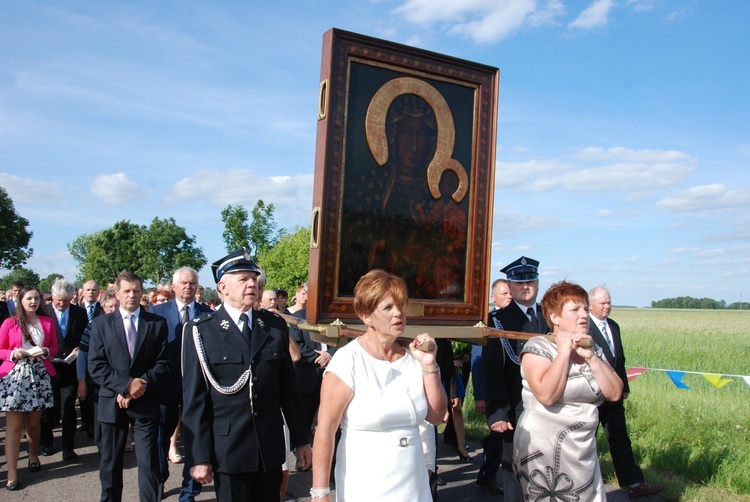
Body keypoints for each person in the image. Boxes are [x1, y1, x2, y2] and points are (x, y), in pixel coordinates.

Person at [181, 249, 312, 501]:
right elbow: (194, 401)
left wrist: (300, 439)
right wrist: (199, 457)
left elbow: (287, 390)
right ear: (223, 287)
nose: (252, 284)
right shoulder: (201, 331)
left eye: (254, 278)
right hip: (229, 450)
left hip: (269, 447)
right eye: (243, 279)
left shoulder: (273, 326)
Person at [311, 269, 447, 501]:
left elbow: (436, 416)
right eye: (388, 308)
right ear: (365, 316)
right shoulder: (348, 360)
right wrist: (320, 492)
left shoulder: (415, 358)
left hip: (413, 480)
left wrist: (429, 365)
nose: (398, 314)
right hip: (366, 481)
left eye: (401, 306)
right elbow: (326, 430)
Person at [513, 281, 623, 500]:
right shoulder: (537, 347)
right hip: (543, 447)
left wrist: (591, 356)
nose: (583, 315)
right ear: (555, 317)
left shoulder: (592, 348)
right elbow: (546, 395)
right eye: (575, 309)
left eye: (584, 308)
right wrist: (563, 353)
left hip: (583, 449)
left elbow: (615, 392)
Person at [89, 270, 169, 502]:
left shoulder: (157, 324)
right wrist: (124, 386)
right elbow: (96, 366)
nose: (132, 295)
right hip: (111, 402)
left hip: (145, 400)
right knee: (111, 463)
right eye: (126, 291)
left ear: (142, 292)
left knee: (149, 462)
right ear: (117, 293)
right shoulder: (101, 325)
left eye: (136, 291)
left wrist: (137, 388)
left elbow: (163, 364)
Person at [483, 256, 549, 502]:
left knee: (547, 468)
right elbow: (492, 370)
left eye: (530, 281)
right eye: (519, 282)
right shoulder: (498, 320)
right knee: (514, 469)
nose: (526, 286)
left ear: (537, 284)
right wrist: (497, 413)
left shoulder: (549, 317)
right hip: (516, 408)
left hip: (550, 407)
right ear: (509, 287)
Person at [588, 287, 663, 499]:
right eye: (602, 303)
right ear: (591, 305)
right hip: (592, 397)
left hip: (615, 396)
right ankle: (588, 485)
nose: (607, 307)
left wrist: (625, 387)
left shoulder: (614, 326)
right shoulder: (584, 327)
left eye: (609, 303)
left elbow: (620, 359)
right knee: (587, 441)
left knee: (621, 439)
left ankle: (634, 483)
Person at [150, 267, 212, 502]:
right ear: (173, 287)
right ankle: (159, 477)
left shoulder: (207, 314)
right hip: (165, 385)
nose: (188, 287)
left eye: (192, 283)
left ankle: (189, 491)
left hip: (196, 387)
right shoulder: (157, 313)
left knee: (195, 438)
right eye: (183, 283)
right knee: (160, 436)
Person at [0, 286, 58, 491]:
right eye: (29, 298)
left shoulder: (48, 322)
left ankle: (33, 454)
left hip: (39, 375)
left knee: (33, 424)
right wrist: (11, 354)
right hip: (14, 377)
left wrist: (44, 350)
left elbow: (54, 348)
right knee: (14, 427)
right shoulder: (9, 322)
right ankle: (12, 474)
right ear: (20, 300)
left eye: (36, 298)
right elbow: (0, 349)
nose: (33, 302)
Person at [40, 278, 88, 460]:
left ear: (72, 298)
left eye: (65, 301)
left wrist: (79, 349)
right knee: (48, 407)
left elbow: (84, 337)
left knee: (68, 407)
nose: (61, 304)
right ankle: (47, 442)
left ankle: (68, 447)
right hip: (48, 366)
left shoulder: (79, 313)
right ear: (52, 296)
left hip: (70, 367)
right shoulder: (43, 312)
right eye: (58, 300)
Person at [474, 278, 513, 495]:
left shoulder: (514, 319)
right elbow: (479, 361)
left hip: (509, 390)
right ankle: (488, 474)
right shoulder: (487, 321)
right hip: (493, 393)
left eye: (510, 293)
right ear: (493, 297)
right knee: (499, 436)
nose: (509, 296)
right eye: (504, 293)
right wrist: (480, 396)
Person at [77, 279, 104, 438]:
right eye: (88, 289)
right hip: (81, 358)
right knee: (85, 397)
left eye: (94, 290)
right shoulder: (78, 311)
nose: (91, 292)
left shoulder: (102, 310)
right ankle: (87, 423)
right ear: (82, 291)